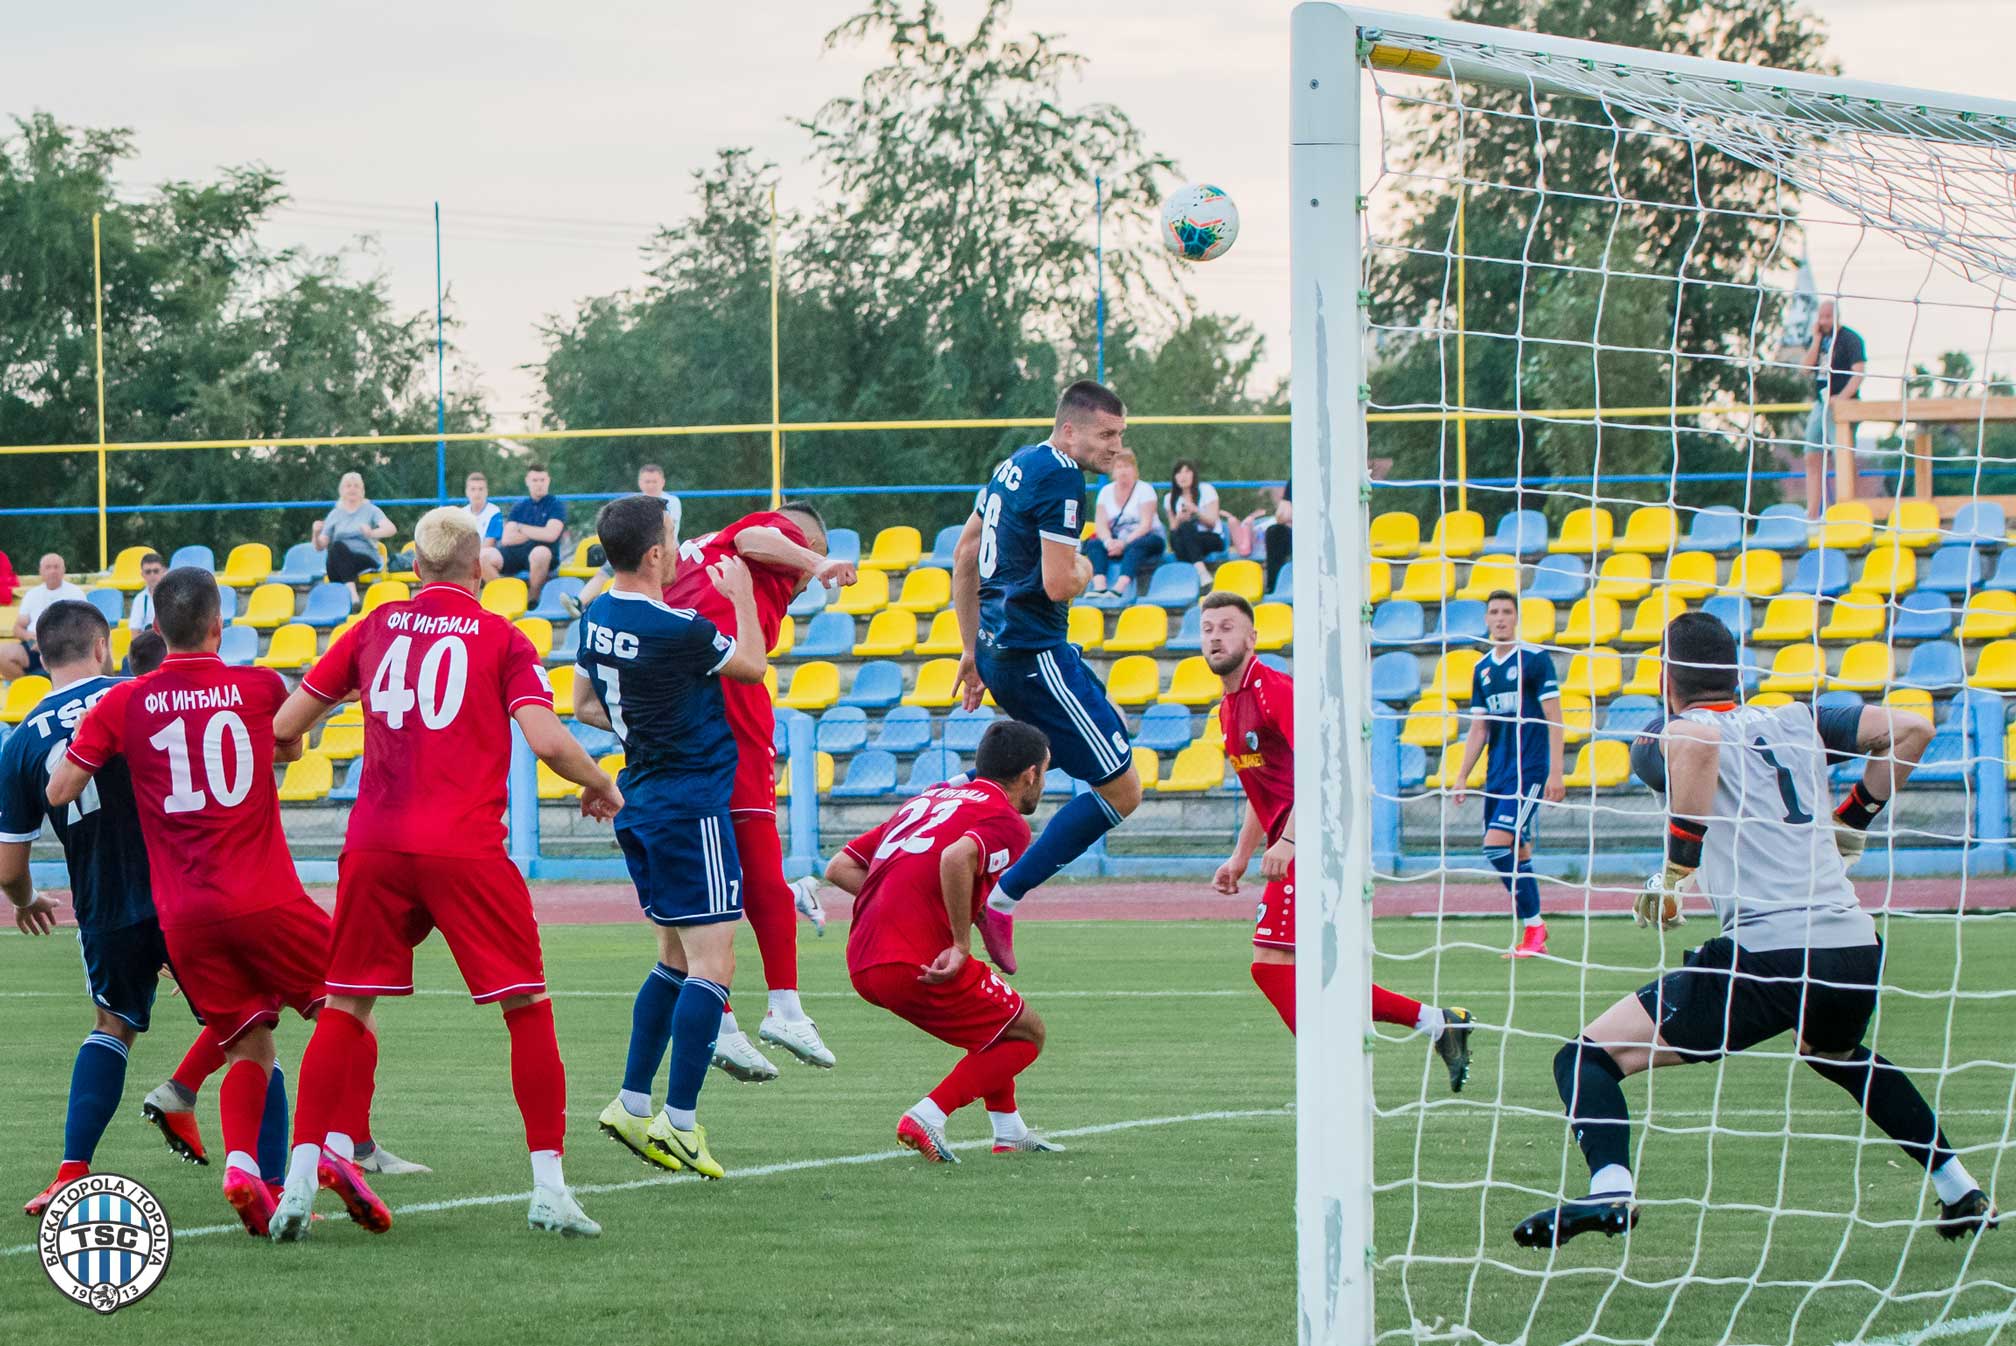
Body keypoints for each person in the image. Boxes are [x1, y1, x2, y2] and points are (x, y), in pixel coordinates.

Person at [1513, 612, 1998, 1249]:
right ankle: (1959, 1187)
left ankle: (1610, 1187)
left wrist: (1676, 872)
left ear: (1665, 677)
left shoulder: (1667, 731)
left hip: (1767, 954)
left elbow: (1697, 742)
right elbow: (1914, 728)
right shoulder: (1799, 718)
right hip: (1853, 948)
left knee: (1585, 1058)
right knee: (1834, 1054)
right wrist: (1855, 817)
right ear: (1737, 672)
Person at [266, 506, 622, 1242]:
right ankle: (550, 1189)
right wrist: (601, 783)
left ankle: (298, 1180)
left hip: (377, 843)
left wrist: (301, 741)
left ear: (415, 566)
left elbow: (285, 726)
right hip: (463, 846)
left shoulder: (372, 627)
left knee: (345, 1006)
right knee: (526, 1006)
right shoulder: (502, 637)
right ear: (480, 565)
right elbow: (546, 740)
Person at [46, 568, 332, 1238]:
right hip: (264, 895)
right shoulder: (260, 686)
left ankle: (241, 1166)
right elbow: (290, 747)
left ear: (154, 627)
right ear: (218, 626)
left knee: (249, 1043)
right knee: (347, 1004)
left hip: (184, 914)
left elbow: (60, 790)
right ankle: (333, 1153)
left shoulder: (123, 703)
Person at [0, 601, 281, 1216]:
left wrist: (27, 901)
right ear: (102, 646)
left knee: (112, 1027)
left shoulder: (18, 743)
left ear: (42, 657)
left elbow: (9, 870)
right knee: (249, 1031)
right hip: (186, 892)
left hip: (103, 905)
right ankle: (276, 1187)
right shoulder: (140, 697)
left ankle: (70, 1173)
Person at [573, 495, 768, 1182]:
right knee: (715, 966)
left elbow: (583, 703)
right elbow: (753, 666)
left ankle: (632, 1103)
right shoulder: (680, 627)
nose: (681, 549)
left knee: (674, 960)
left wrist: (640, 729)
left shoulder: (596, 614)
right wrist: (742, 595)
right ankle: (680, 1124)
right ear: (655, 553)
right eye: (674, 539)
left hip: (642, 800)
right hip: (691, 805)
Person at [1202, 593, 1474, 1085]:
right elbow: (1261, 788)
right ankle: (1437, 1022)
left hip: (1318, 841)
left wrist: (1289, 841)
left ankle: (1328, 1069)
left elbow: (1322, 765)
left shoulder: (1274, 690)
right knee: (1315, 970)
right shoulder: (1228, 708)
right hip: (1299, 844)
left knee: (1271, 966)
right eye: (1207, 629)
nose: (1215, 638)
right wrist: (1240, 856)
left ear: (1252, 638)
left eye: (1226, 627)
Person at [655, 501, 855, 1079]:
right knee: (759, 858)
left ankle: (718, 1025)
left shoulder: (695, 554)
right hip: (725, 699)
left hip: (665, 707)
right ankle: (783, 1008)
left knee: (699, 882)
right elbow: (758, 538)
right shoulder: (772, 535)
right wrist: (815, 561)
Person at [953, 381, 1145, 975]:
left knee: (1078, 742)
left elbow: (964, 553)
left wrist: (970, 650)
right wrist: (1086, 567)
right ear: (1069, 430)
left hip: (1004, 652)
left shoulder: (1014, 465)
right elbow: (1061, 583)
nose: (1116, 447)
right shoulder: (1063, 475)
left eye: (1120, 435)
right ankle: (1001, 899)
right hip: (1035, 656)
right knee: (1123, 789)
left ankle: (929, 815)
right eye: (1106, 434)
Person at [825, 719, 1063, 1162]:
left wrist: (910, 905)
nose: (1043, 784)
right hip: (917, 959)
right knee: (1028, 1033)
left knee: (995, 1024)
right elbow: (956, 858)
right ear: (1031, 773)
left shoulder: (928, 800)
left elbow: (840, 866)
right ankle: (928, 1115)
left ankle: (1009, 1130)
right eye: (1045, 772)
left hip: (863, 958)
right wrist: (960, 942)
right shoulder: (1007, 820)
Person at [1452, 591, 1566, 959]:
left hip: (1529, 771)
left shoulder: (1535, 660)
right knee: (1517, 849)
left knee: (1495, 845)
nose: (1500, 618)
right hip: (1497, 774)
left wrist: (1556, 773)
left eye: (1506, 612)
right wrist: (1462, 776)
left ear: (1516, 618)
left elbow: (1554, 719)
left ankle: (1534, 925)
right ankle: (1534, 933)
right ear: (1486, 619)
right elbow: (1479, 728)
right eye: (1494, 612)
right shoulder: (1482, 669)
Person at [576, 464, 687, 612]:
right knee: (608, 568)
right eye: (647, 481)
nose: (651, 485)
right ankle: (579, 602)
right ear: (640, 483)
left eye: (654, 481)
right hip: (637, 548)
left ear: (662, 482)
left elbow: (666, 530)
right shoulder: (633, 502)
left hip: (662, 550)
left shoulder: (671, 502)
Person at [1801, 299, 1868, 518]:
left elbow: (1858, 372)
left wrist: (1842, 397)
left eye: (1828, 317)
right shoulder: (1818, 340)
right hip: (1820, 405)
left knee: (1843, 457)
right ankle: (1813, 511)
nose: (1824, 321)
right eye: (1821, 317)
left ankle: (1847, 508)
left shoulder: (1850, 339)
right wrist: (1816, 339)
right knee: (1812, 456)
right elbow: (1805, 369)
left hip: (1844, 406)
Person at [1078, 447, 1164, 599]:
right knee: (1094, 544)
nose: (1123, 471)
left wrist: (1124, 543)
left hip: (1147, 539)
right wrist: (1109, 542)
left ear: (1134, 470)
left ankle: (1120, 587)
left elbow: (1146, 525)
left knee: (1136, 545)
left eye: (1127, 466)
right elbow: (1101, 525)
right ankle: (1099, 586)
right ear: (1113, 471)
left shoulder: (1145, 490)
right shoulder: (1105, 492)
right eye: (1119, 467)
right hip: (1116, 540)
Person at [315, 472, 397, 605]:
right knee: (335, 553)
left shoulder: (371, 509)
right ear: (342, 490)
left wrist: (371, 533)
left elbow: (391, 529)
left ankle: (352, 597)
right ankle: (350, 598)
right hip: (342, 559)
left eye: (356, 486)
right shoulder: (335, 514)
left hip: (366, 557)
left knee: (336, 549)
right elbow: (320, 546)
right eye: (348, 486)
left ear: (362, 491)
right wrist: (315, 533)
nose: (352, 489)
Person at [495, 463, 567, 604]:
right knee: (485, 556)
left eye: (542, 480)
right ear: (527, 481)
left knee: (539, 553)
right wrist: (539, 532)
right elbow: (506, 539)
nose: (539, 484)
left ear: (548, 481)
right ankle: (508, 597)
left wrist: (521, 527)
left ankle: (532, 601)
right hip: (515, 554)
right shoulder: (519, 507)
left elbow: (551, 535)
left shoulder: (556, 505)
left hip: (544, 555)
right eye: (535, 480)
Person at [15, 553, 86, 675]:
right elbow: (18, 628)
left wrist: (51, 642)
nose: (53, 571)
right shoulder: (31, 594)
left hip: (64, 649)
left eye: (56, 567)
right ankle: (30, 683)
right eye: (48, 567)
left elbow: (83, 626)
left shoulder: (76, 593)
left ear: (64, 570)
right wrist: (30, 639)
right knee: (3, 655)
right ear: (40, 571)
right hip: (34, 647)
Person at [1164, 459, 1227, 585]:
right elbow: (1173, 529)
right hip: (1185, 540)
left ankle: (1193, 578)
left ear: (1194, 474)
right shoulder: (1169, 498)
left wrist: (1196, 512)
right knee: (1182, 531)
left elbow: (1212, 523)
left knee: (1186, 530)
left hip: (1210, 537)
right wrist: (1179, 518)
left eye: (1187, 472)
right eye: (1179, 473)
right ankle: (1201, 572)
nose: (1183, 476)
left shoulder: (1206, 490)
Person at [462, 471, 506, 577]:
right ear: (467, 492)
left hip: (488, 555)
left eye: (481, 489)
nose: (477, 493)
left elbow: (489, 543)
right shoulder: (462, 514)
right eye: (473, 489)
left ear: (486, 492)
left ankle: (499, 586)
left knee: (482, 557)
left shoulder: (494, 512)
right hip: (467, 557)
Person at [1260, 481, 1292, 596]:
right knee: (1275, 531)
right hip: (1296, 531)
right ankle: (1273, 588)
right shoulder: (1294, 481)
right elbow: (1281, 516)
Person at [127, 553, 166, 632]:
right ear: (142, 575)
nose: (152, 575)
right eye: (148, 572)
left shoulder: (174, 595)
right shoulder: (139, 599)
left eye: (156, 571)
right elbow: (135, 632)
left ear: (163, 571)